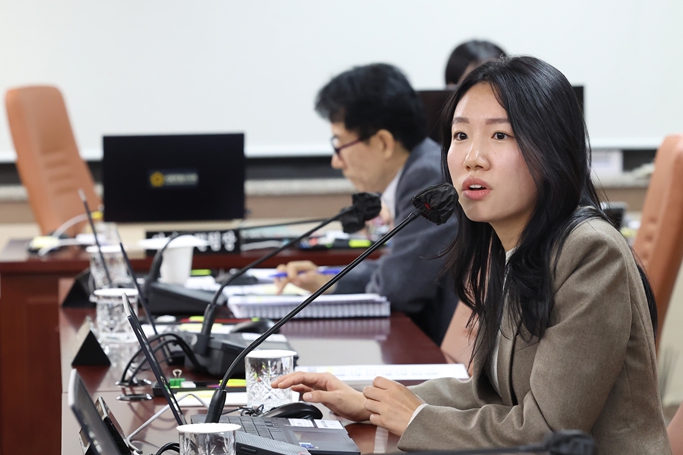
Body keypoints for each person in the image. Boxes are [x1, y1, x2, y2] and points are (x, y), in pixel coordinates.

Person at [272, 56, 672, 454]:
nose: (472, 157)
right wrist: (369, 402)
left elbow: (548, 429)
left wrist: (415, 419)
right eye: (460, 135)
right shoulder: (509, 244)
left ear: (551, 148)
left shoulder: (589, 251)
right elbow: (487, 393)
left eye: (500, 135)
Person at [275, 63, 459, 345]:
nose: (335, 161)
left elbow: (398, 288)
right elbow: (397, 268)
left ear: (383, 142)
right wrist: (329, 281)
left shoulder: (426, 178)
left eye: (339, 145)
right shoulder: (421, 168)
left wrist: (334, 285)